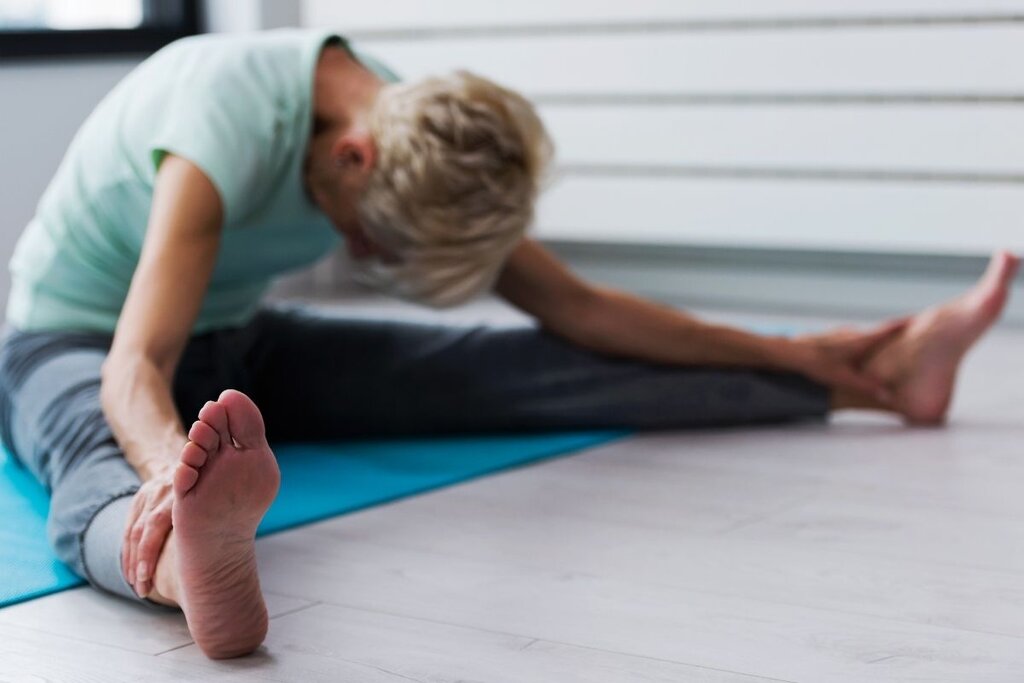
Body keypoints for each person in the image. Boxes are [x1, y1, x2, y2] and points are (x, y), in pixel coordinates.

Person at [0, 28, 1016, 659]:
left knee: (517, 364)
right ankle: (186, 562)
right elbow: (136, 365)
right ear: (354, 156)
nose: (357, 248)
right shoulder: (220, 112)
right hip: (76, 337)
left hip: (237, 345)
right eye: (368, 236)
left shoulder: (424, 136)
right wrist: (160, 468)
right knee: (98, 457)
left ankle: (880, 383)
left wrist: (814, 353)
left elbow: (579, 309)